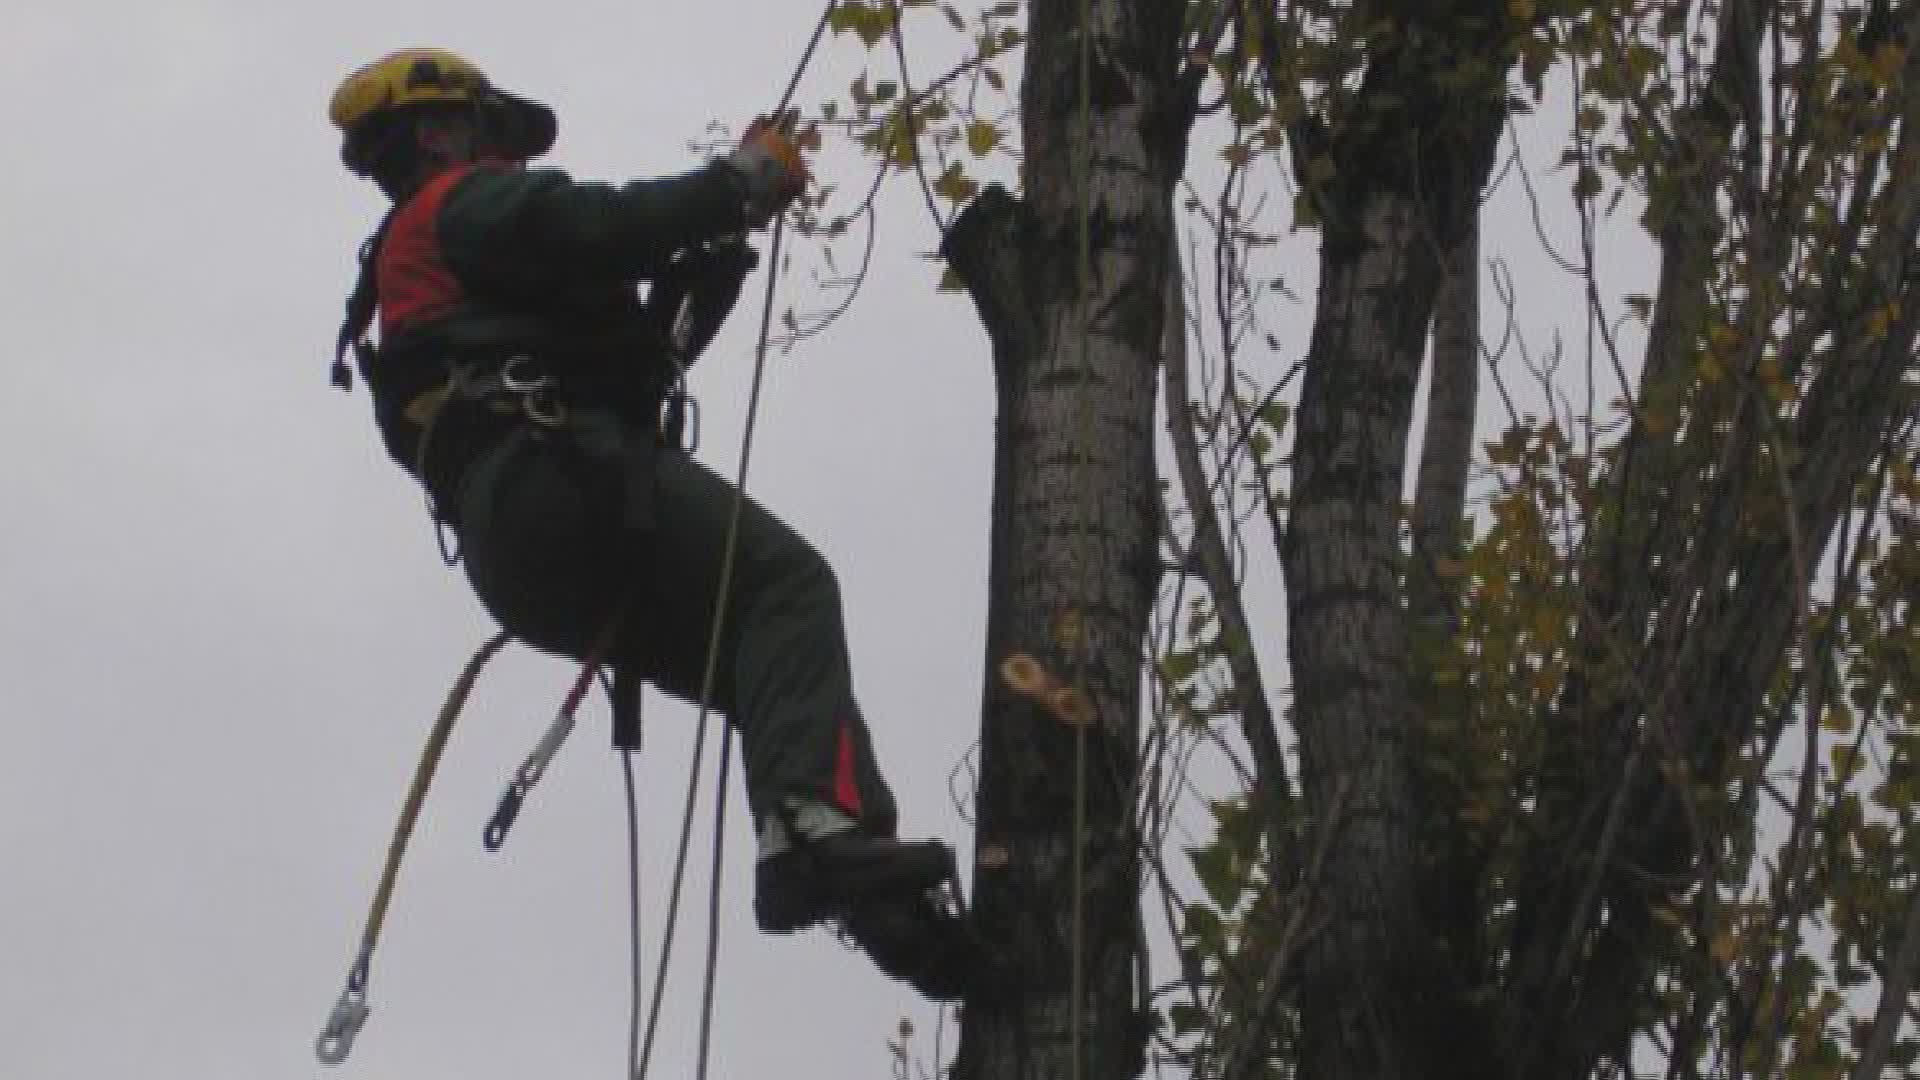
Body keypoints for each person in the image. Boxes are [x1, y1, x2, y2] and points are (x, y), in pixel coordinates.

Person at [327, 48, 971, 1000]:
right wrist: (738, 183)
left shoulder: (431, 283)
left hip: (528, 546)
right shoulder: (464, 207)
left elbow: (622, 343)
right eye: (491, 134)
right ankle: (808, 833)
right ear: (438, 130)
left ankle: (872, 888)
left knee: (770, 665)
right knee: (788, 587)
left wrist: (700, 273)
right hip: (559, 479)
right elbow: (598, 223)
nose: (504, 156)